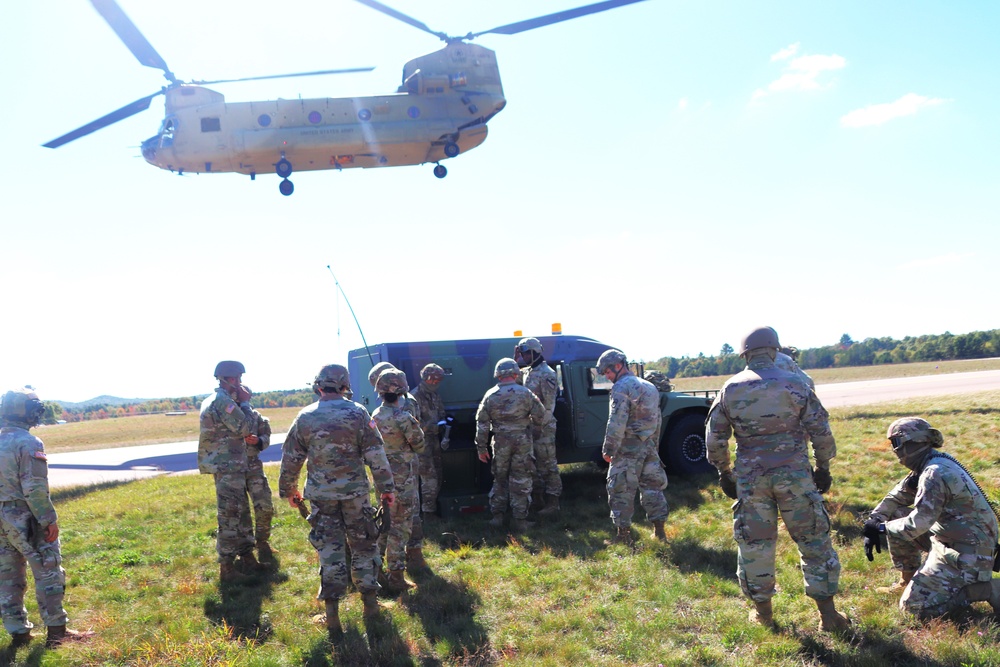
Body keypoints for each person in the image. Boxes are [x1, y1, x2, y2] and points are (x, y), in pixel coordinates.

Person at [706, 326, 849, 631]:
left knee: (755, 546)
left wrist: (724, 473)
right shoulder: (796, 383)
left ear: (745, 354)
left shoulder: (730, 388)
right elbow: (821, 432)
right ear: (774, 350)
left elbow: (715, 440)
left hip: (752, 482)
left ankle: (763, 614)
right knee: (814, 542)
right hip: (796, 478)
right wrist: (823, 468)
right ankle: (829, 616)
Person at [279, 364, 395, 639]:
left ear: (319, 386)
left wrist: (289, 490)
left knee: (329, 550)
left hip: (321, 497)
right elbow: (375, 455)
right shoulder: (358, 413)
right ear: (344, 386)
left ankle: (332, 615)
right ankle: (370, 606)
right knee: (364, 546)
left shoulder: (305, 416)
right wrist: (386, 489)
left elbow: (291, 458)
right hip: (355, 494)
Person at [863, 417, 1000, 618]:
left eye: (896, 444)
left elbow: (916, 524)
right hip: (948, 540)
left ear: (911, 443)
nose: (895, 451)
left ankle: (986, 589)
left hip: (967, 554)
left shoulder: (934, 473)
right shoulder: (930, 463)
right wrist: (874, 520)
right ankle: (907, 579)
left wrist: (881, 529)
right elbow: (898, 496)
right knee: (895, 514)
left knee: (915, 608)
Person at [0, 388, 93, 648]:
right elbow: (34, 488)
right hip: (24, 516)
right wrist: (48, 520)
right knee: (48, 570)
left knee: (8, 575)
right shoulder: (28, 442)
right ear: (27, 412)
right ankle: (57, 632)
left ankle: (18, 633)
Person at [597, 349, 670, 546]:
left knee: (620, 488)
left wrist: (609, 449)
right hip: (648, 446)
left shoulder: (621, 387)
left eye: (608, 372)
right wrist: (653, 445)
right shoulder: (649, 386)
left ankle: (623, 536)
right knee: (653, 489)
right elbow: (657, 419)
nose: (607, 376)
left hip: (627, 448)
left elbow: (616, 421)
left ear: (618, 366)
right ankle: (660, 532)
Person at [198, 361, 262, 582]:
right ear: (229, 379)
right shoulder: (223, 402)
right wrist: (245, 404)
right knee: (229, 515)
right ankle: (226, 567)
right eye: (238, 379)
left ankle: (246, 556)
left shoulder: (218, 400)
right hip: (228, 467)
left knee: (241, 513)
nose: (240, 383)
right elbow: (246, 428)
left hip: (232, 466)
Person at [367, 362, 429, 570]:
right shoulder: (404, 417)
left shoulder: (374, 416)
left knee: (384, 519)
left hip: (382, 475)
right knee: (401, 525)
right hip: (403, 476)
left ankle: (376, 568)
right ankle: (396, 572)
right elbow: (419, 445)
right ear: (401, 390)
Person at [475, 358, 546, 532]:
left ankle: (497, 518)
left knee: (499, 480)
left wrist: (482, 448)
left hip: (500, 442)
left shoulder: (490, 395)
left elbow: (482, 424)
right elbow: (540, 415)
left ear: (498, 375)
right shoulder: (526, 393)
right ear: (515, 374)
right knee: (521, 479)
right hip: (522, 441)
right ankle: (520, 521)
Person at [515, 338, 562, 517]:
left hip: (543, 427)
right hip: (529, 426)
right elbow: (513, 380)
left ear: (535, 352)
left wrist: (539, 426)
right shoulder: (528, 372)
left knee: (548, 465)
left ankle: (553, 502)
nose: (525, 357)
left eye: (527, 353)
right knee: (532, 465)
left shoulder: (546, 374)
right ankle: (538, 499)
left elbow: (550, 406)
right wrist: (515, 359)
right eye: (523, 353)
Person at [411, 364, 446, 517]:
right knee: (428, 478)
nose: (435, 382)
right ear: (425, 378)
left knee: (438, 474)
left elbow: (441, 413)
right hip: (421, 444)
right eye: (432, 379)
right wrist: (431, 427)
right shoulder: (414, 397)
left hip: (434, 442)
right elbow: (412, 424)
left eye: (438, 379)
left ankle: (433, 507)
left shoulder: (435, 395)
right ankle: (428, 513)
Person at [244, 409, 275, 564]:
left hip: (253, 465)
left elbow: (266, 436)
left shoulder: (255, 416)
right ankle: (245, 550)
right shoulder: (225, 413)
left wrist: (258, 440)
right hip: (231, 469)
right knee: (238, 511)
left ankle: (262, 541)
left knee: (265, 505)